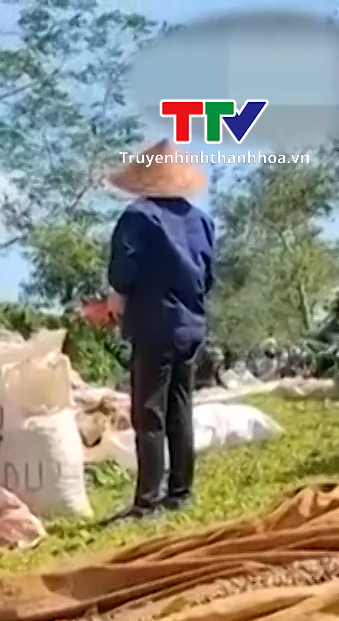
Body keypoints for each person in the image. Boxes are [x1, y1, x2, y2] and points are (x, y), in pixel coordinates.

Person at [105, 138, 215, 520]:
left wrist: (113, 305)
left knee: (148, 412)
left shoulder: (139, 216)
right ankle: (180, 491)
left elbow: (123, 273)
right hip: (191, 325)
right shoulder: (201, 220)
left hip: (154, 324)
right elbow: (208, 276)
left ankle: (146, 501)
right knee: (180, 407)